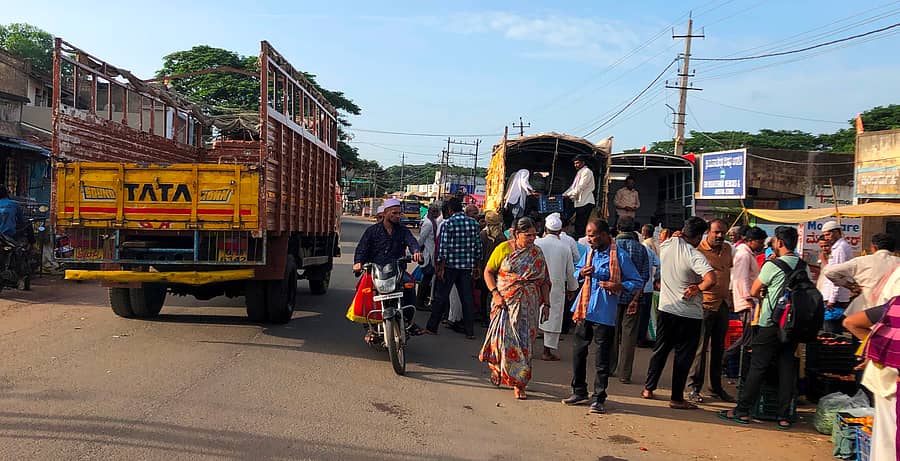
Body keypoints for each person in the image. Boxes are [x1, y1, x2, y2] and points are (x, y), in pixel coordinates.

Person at [719, 226, 804, 430]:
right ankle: (784, 416)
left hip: (770, 323)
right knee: (787, 368)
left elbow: (755, 290)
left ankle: (742, 411)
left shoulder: (772, 265)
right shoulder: (803, 266)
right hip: (792, 325)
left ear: (780, 243)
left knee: (758, 366)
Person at [563, 219, 642, 414]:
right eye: (588, 235)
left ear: (605, 235)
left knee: (601, 358)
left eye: (592, 235)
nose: (589, 239)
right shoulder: (589, 253)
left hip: (605, 313)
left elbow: (636, 280)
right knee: (578, 353)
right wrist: (582, 272)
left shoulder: (620, 255)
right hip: (584, 309)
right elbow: (576, 271)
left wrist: (619, 286)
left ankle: (599, 397)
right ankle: (579, 390)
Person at [642, 217, 716, 410]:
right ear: (699, 236)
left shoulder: (667, 245)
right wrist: (698, 288)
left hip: (666, 308)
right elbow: (711, 278)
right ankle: (676, 397)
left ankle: (648, 388)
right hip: (689, 313)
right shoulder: (694, 255)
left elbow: (670, 237)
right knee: (683, 356)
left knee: (660, 350)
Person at [480, 217, 551, 400]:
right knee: (502, 340)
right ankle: (497, 367)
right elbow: (488, 272)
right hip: (505, 302)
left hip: (529, 305)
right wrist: (495, 294)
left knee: (524, 343)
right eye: (528, 235)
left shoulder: (537, 252)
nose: (532, 239)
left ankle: (519, 382)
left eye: (534, 235)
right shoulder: (503, 248)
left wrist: (547, 303)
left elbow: (544, 280)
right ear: (517, 234)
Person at [353, 198, 424, 334]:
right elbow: (362, 249)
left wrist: (416, 252)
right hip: (376, 272)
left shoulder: (403, 230)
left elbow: (412, 242)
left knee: (410, 285)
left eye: (399, 213)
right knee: (362, 290)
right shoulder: (372, 231)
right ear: (385, 213)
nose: (397, 216)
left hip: (397, 271)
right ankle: (369, 327)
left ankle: (409, 321)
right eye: (394, 213)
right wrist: (358, 263)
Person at [844, 294, 900, 461]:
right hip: (889, 382)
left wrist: (876, 349)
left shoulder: (895, 304)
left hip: (885, 380)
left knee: (885, 440)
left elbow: (851, 322)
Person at [688, 219, 735, 403]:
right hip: (705, 304)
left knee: (718, 347)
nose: (720, 235)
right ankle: (694, 387)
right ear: (708, 232)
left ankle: (716, 387)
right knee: (700, 348)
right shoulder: (697, 250)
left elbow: (728, 272)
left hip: (722, 304)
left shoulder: (727, 249)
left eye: (723, 232)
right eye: (716, 232)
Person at [425, 197, 483, 339]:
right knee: (467, 298)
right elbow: (478, 246)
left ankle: (432, 327)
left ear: (450, 209)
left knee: (441, 297)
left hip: (450, 266)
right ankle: (469, 331)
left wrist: (440, 267)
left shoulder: (448, 223)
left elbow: (443, 247)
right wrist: (477, 266)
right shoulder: (473, 223)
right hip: (466, 267)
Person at [609, 216, 649, 384]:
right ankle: (625, 374)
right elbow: (644, 276)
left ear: (618, 228)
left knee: (611, 333)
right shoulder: (641, 249)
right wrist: (636, 299)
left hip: (612, 297)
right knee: (629, 337)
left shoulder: (611, 247)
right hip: (633, 297)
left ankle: (609, 367)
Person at [535, 213, 578, 361]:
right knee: (553, 318)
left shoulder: (537, 243)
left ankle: (527, 348)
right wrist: (572, 288)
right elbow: (570, 271)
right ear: (560, 231)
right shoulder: (565, 247)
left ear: (545, 229)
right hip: (556, 287)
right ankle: (547, 351)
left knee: (532, 314)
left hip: (536, 284)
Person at [824, 233, 900, 316]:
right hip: (894, 312)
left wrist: (850, 286)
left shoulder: (862, 261)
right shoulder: (897, 262)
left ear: (874, 247)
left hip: (866, 312)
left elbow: (829, 272)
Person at [724, 226, 767, 362]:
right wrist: (748, 297)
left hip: (749, 299)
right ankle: (726, 358)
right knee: (748, 337)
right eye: (760, 242)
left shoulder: (747, 253)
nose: (761, 245)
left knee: (749, 336)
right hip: (747, 301)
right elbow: (741, 278)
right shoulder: (744, 255)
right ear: (751, 240)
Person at [820, 220, 853, 332]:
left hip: (835, 298)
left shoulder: (840, 248)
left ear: (836, 232)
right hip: (833, 296)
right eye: (825, 235)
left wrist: (832, 299)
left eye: (828, 234)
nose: (827, 237)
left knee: (831, 331)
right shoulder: (837, 248)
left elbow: (838, 276)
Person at [479, 211, 507, 327]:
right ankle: (493, 316)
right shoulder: (502, 237)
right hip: (498, 270)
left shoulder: (482, 234)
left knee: (484, 294)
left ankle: (484, 317)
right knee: (495, 293)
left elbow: (479, 253)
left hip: (484, 268)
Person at [416, 203, 443, 310]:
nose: (437, 214)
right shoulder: (428, 223)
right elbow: (421, 240)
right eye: (435, 212)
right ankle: (420, 302)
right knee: (426, 279)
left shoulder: (433, 221)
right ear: (432, 211)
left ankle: (422, 300)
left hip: (431, 253)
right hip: (428, 254)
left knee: (428, 279)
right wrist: (417, 251)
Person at [563, 155, 596, 239]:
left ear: (583, 163)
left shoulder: (587, 172)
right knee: (577, 222)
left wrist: (569, 195)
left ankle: (580, 240)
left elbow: (580, 186)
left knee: (581, 224)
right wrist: (564, 194)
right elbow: (573, 187)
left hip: (586, 201)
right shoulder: (580, 172)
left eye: (577, 163)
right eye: (575, 163)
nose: (576, 165)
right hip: (579, 202)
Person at [637, 231, 660, 349]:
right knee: (644, 316)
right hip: (647, 288)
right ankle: (640, 339)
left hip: (630, 288)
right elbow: (658, 264)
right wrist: (656, 278)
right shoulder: (648, 250)